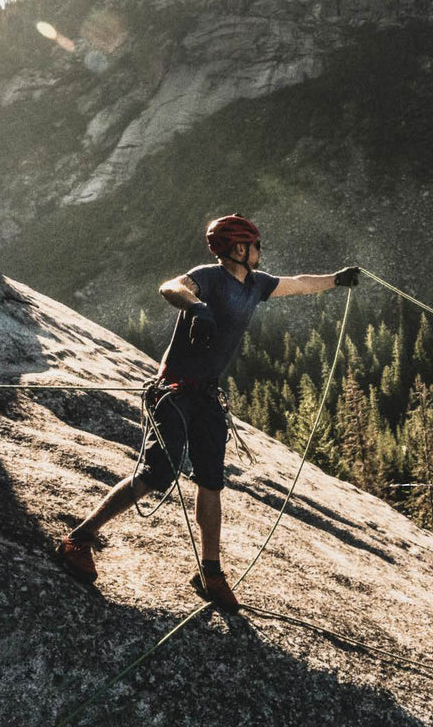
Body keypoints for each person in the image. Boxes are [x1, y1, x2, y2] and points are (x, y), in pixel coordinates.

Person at [58, 214, 360, 612]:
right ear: (239, 248)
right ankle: (77, 540)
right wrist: (198, 307)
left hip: (206, 396)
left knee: (211, 481)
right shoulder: (209, 277)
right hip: (174, 392)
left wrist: (337, 280)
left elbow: (301, 283)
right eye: (256, 245)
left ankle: (210, 573)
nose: (260, 251)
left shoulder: (256, 284)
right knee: (157, 473)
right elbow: (171, 286)